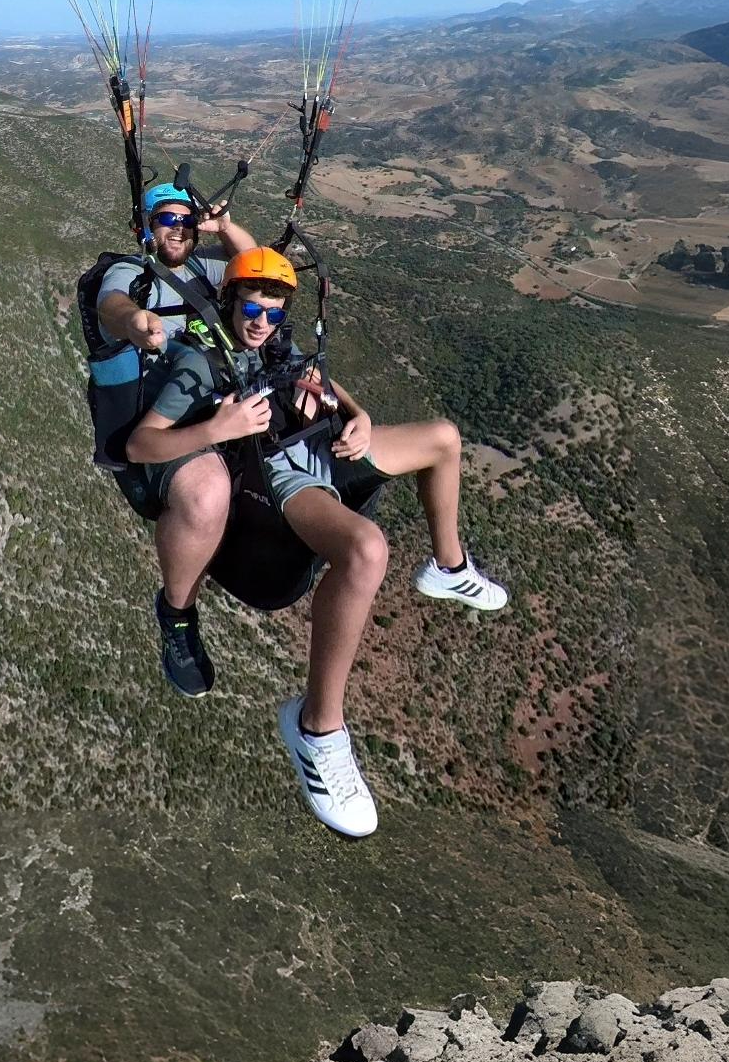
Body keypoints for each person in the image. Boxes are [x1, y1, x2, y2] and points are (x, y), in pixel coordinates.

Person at [127, 247, 508, 838]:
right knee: (366, 550)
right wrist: (218, 429)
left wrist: (358, 414)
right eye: (251, 310)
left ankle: (449, 566)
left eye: (274, 313)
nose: (262, 323)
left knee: (443, 438)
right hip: (283, 473)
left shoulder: (278, 346)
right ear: (229, 304)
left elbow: (320, 378)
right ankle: (317, 728)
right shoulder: (201, 365)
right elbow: (139, 445)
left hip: (325, 444)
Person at [94, 181, 258, 698]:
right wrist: (135, 322)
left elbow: (258, 268)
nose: (179, 230)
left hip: (217, 398)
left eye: (186, 221)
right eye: (167, 219)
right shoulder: (133, 274)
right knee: (208, 491)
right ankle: (177, 615)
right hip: (162, 420)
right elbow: (110, 304)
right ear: (146, 227)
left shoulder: (206, 269)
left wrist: (225, 227)